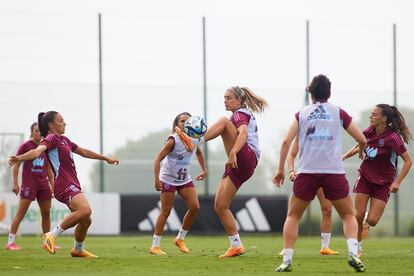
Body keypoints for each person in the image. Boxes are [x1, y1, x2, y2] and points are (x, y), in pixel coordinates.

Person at [273, 74, 367, 272]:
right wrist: (361, 149)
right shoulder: (339, 112)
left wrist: (281, 169)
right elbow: (362, 139)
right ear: (329, 93)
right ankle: (353, 253)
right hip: (333, 172)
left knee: (293, 216)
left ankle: (287, 260)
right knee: (348, 215)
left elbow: (285, 142)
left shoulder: (302, 114)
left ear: (311, 93)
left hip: (307, 172)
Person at [8, 111, 119, 257]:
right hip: (64, 185)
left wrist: (105, 158)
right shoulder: (51, 138)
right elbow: (37, 151)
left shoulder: (65, 140)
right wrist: (20, 158)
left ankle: (78, 249)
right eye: (61, 120)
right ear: (51, 125)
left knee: (86, 220)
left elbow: (84, 152)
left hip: (72, 184)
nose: (65, 123)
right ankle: (51, 235)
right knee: (85, 210)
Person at [176, 86, 268, 257]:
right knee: (220, 205)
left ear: (239, 101)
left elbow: (244, 133)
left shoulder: (240, 113)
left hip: (245, 157)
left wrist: (233, 153)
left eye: (229, 97)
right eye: (224, 97)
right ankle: (236, 245)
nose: (225, 100)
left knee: (224, 122)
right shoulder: (238, 114)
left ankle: (195, 142)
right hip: (242, 165)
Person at [343, 104, 412, 256]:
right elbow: (358, 146)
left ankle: (368, 221)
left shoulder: (393, 138)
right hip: (365, 177)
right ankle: (357, 248)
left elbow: (408, 161)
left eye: (374, 114)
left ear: (384, 118)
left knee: (372, 221)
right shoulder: (368, 132)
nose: (371, 117)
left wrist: (397, 182)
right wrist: (342, 158)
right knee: (358, 215)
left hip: (384, 183)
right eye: (371, 114)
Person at [150, 112, 207, 255]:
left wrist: (204, 169)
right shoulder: (173, 140)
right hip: (168, 179)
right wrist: (157, 179)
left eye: (187, 121)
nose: (184, 123)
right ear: (176, 124)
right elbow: (157, 159)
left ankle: (180, 239)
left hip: (184, 179)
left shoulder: (195, 139)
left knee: (195, 207)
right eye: (181, 121)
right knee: (166, 211)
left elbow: (199, 153)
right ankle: (155, 246)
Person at [278, 137, 339, 256]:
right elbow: (291, 155)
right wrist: (291, 171)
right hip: (305, 176)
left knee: (327, 209)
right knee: (293, 212)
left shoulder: (326, 134)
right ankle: (286, 248)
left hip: (323, 176)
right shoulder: (302, 134)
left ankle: (325, 247)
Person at [6, 123, 55, 251]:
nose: (38, 133)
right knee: (20, 213)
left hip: (43, 185)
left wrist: (52, 184)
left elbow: (49, 169)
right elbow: (16, 164)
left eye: (40, 131)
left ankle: (47, 242)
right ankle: (10, 243)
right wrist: (15, 183)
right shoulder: (25, 146)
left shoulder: (46, 147)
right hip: (29, 185)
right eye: (36, 131)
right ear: (32, 132)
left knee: (46, 213)